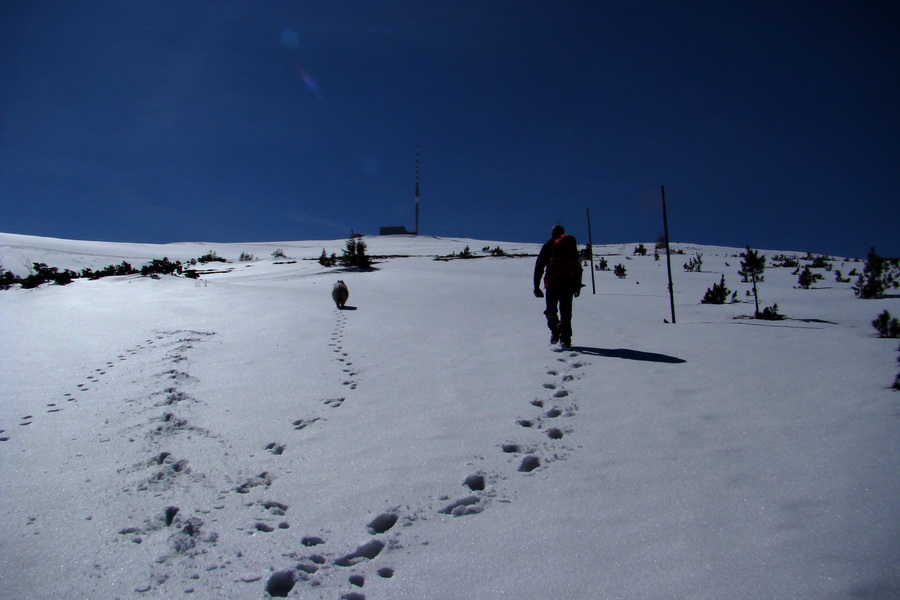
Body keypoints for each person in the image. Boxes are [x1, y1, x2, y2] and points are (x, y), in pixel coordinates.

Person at [533, 225, 583, 348]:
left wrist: (536, 286)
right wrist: (577, 286)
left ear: (552, 233)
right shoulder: (570, 247)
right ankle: (566, 339)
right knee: (566, 312)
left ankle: (555, 327)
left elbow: (539, 266)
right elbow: (577, 267)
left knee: (550, 310)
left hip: (552, 283)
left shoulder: (548, 246)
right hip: (568, 284)